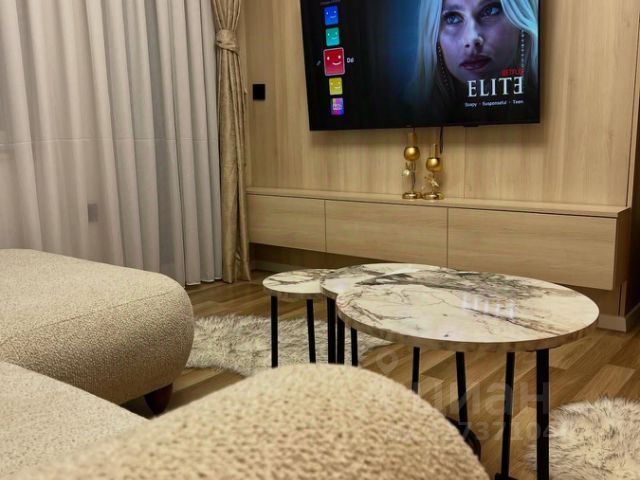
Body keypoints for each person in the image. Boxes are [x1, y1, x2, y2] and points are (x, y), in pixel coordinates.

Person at [411, 0, 538, 122]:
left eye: (490, 11)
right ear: (435, 35)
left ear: (519, 16)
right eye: (452, 18)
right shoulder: (411, 113)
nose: (472, 38)